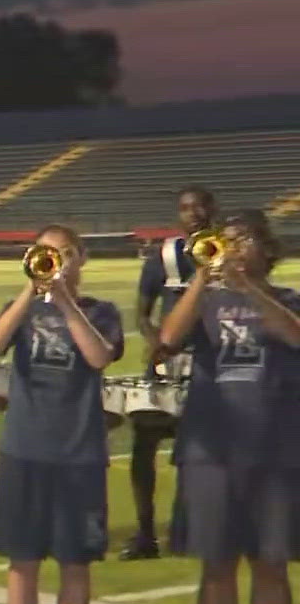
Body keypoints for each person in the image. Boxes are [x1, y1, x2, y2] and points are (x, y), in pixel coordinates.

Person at [158, 210, 300, 604]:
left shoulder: (284, 298)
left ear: (265, 248)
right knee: (216, 564)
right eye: (227, 240)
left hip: (276, 451)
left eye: (243, 240)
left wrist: (248, 289)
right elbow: (167, 340)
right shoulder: (203, 300)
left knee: (272, 564)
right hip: (209, 448)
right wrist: (203, 277)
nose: (234, 247)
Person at [0, 226, 124, 604]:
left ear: (81, 258)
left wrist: (64, 300)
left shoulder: (102, 312)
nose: (56, 262)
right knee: (22, 561)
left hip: (78, 452)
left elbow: (98, 355)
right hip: (25, 447)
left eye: (64, 254)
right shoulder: (21, 307)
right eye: (46, 255)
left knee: (74, 563)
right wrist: (31, 288)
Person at [124, 185, 214, 559]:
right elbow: (142, 312)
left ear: (212, 209)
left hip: (209, 366)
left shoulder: (228, 251)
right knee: (143, 445)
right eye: (184, 208)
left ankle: (195, 528)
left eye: (198, 206)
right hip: (165, 365)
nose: (191, 213)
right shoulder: (164, 254)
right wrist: (156, 341)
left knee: (200, 451)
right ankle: (146, 534)